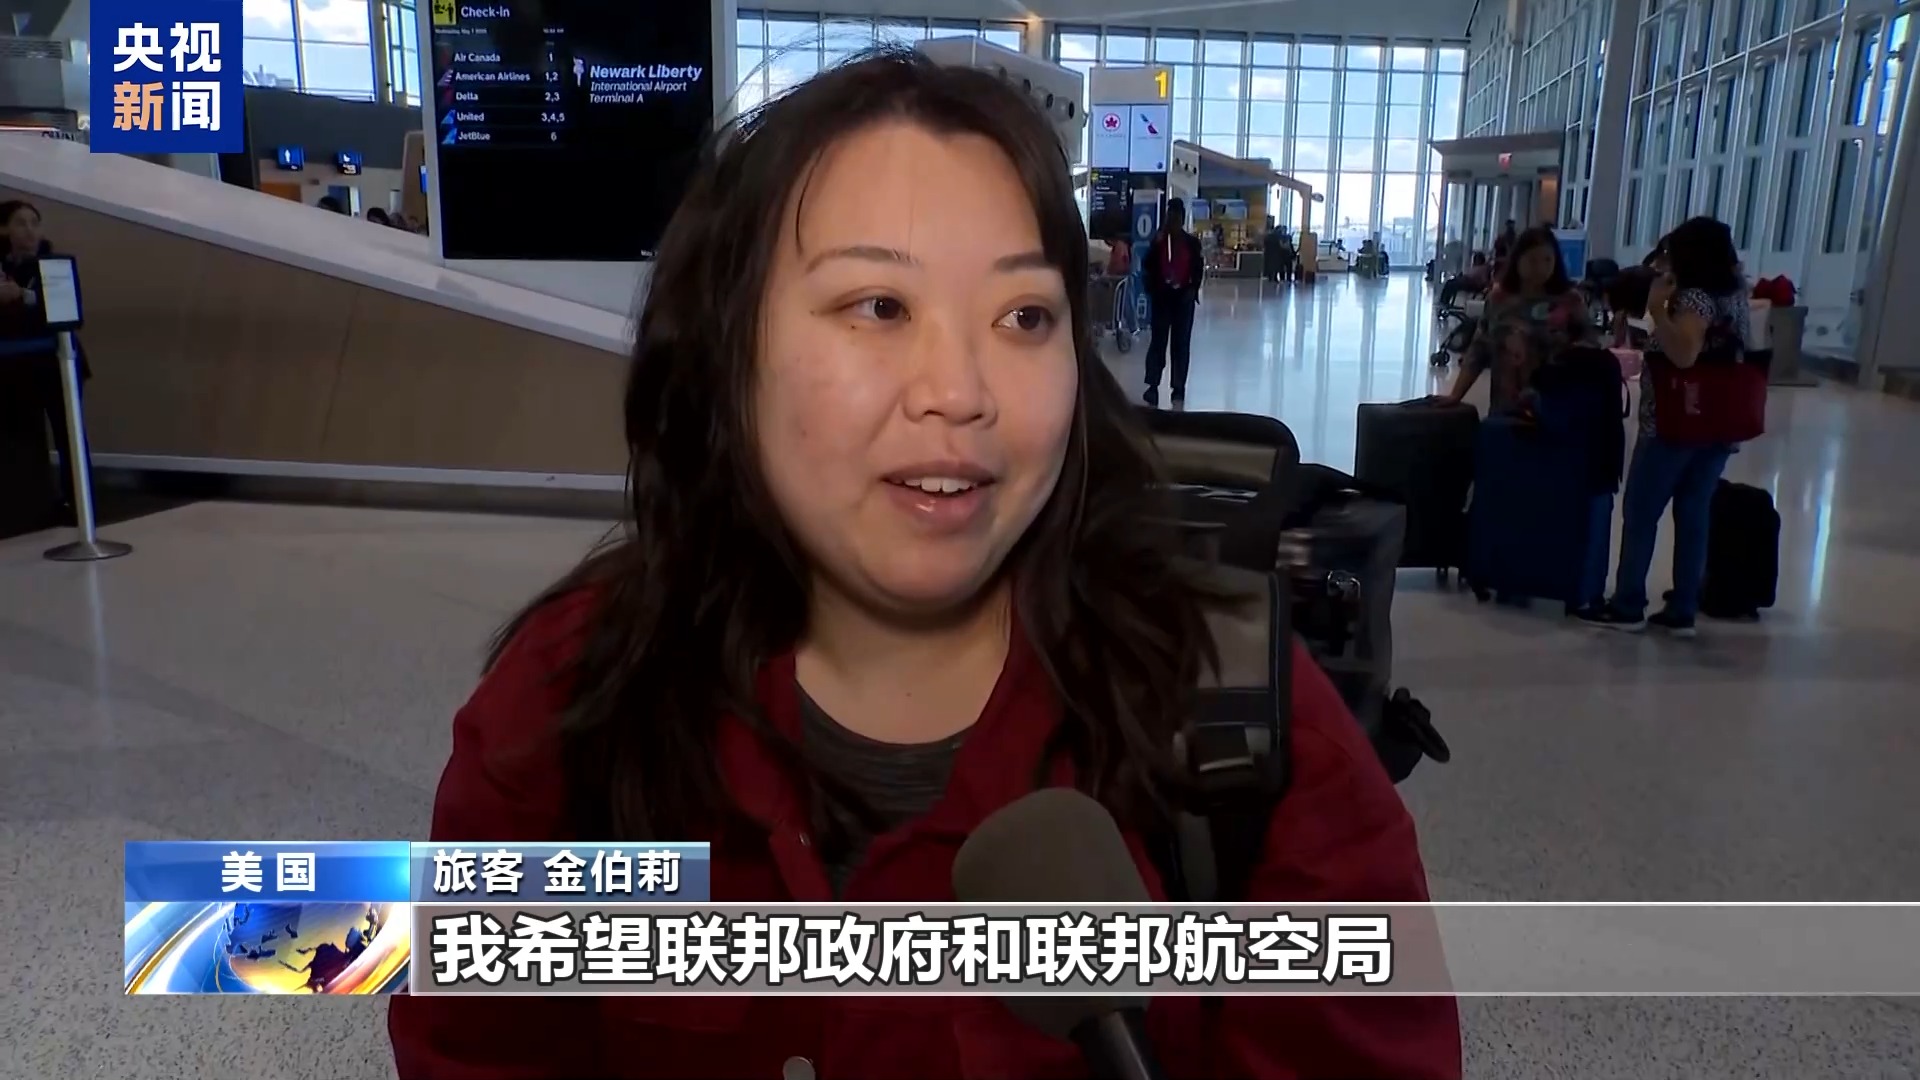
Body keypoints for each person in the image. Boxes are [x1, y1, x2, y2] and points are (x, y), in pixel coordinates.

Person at [387, 51, 1459, 1080]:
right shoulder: (570, 704)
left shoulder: (1239, 718)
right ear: (728, 350)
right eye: (880, 307)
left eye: (1024, 316)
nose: (959, 391)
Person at [1583, 217, 1751, 637]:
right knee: (1693, 514)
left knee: (1641, 511)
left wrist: (1658, 309)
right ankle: (1683, 609)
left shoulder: (1695, 298)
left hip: (1674, 424)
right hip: (1719, 422)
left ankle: (1628, 605)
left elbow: (1685, 355)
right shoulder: (1735, 296)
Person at [1440, 226, 1593, 414]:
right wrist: (1455, 395)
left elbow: (1589, 350)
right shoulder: (1499, 299)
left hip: (1558, 407)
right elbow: (1479, 350)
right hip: (1507, 404)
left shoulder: (1569, 300)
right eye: (1532, 260)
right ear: (1517, 261)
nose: (1541, 268)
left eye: (1547, 260)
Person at [0, 198, 86, 521]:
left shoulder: (53, 264)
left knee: (68, 433)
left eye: (34, 223)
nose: (29, 231)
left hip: (57, 361)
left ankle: (79, 504)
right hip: (15, 366)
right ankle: (32, 502)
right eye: (20, 223)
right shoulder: (4, 267)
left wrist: (23, 296)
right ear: (4, 229)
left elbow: (64, 308)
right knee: (22, 436)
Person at [1140, 196, 1204, 405]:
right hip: (1162, 298)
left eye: (1176, 217)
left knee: (1180, 344)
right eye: (1170, 216)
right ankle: (1153, 385)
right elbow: (1148, 265)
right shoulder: (1159, 242)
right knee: (1158, 343)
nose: (1173, 220)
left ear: (1182, 219)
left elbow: (1197, 269)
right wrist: (1152, 288)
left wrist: (1192, 290)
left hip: (1182, 299)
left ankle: (1178, 387)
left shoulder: (1191, 243)